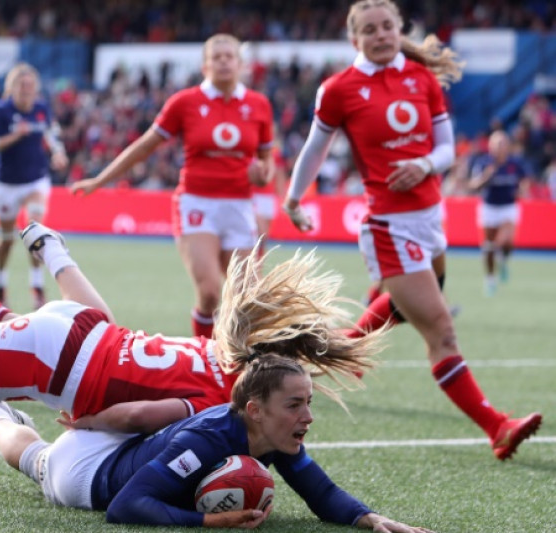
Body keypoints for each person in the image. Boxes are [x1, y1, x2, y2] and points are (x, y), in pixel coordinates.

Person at [0, 159, 377, 434]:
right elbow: (134, 414)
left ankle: (7, 299)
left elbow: (110, 339)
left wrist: (51, 260)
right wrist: (84, 423)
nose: (302, 413)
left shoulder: (216, 349)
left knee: (101, 336)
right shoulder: (223, 398)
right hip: (56, 357)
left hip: (85, 326)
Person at [281, 0, 541, 460]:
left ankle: (333, 349)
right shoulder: (339, 89)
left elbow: (445, 149)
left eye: (387, 26)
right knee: (440, 328)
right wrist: (294, 197)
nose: (380, 35)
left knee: (411, 304)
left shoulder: (421, 79)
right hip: (387, 226)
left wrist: (423, 164)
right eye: (369, 29)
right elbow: (315, 150)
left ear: (399, 30)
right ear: (353, 39)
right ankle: (496, 426)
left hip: (430, 218)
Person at [0, 356, 433, 531]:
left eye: (308, 403)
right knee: (33, 458)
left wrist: (369, 520)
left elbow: (322, 493)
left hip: (133, 446)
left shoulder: (272, 436)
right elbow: (125, 507)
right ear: (255, 410)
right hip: (89, 475)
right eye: (295, 405)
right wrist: (209, 522)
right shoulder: (208, 441)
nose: (308, 417)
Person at [71, 34, 275, 339]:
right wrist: (100, 180)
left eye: (228, 56)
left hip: (239, 205)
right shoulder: (185, 102)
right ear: (205, 65)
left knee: (248, 298)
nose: (222, 61)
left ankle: (239, 365)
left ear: (240, 63)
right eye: (215, 57)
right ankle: (204, 359)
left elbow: (266, 163)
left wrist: (262, 175)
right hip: (196, 203)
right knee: (209, 292)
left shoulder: (258, 105)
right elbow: (144, 147)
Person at [0, 62, 68, 309]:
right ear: (11, 88)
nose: (26, 90)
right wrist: (14, 136)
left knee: (36, 229)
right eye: (22, 85)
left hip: (36, 180)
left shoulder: (41, 109)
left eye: (30, 86)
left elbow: (51, 134)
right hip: (6, 183)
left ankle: (37, 285)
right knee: (6, 239)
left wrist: (58, 152)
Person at [467, 130, 533, 296]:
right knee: (488, 247)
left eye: (502, 144)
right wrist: (486, 177)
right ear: (490, 147)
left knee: (506, 241)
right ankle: (490, 279)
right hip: (489, 207)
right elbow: (473, 186)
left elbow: (524, 180)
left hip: (508, 207)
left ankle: (503, 259)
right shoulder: (483, 163)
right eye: (496, 144)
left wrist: (523, 188)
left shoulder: (514, 163)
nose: (499, 148)